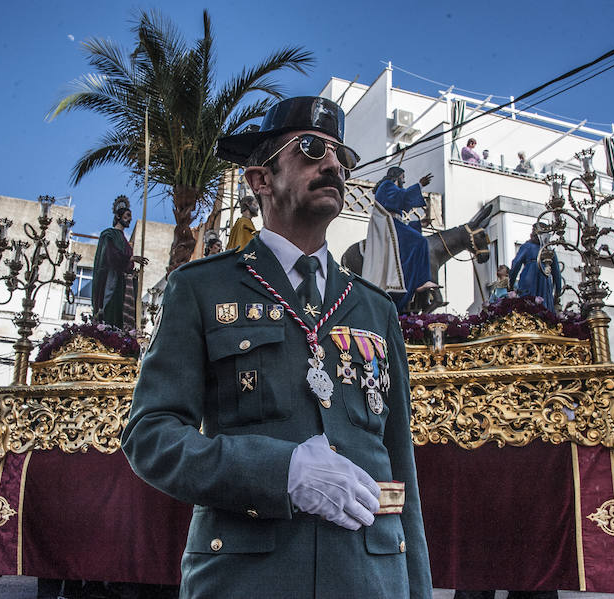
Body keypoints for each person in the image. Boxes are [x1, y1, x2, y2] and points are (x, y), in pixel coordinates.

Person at [123, 96, 431, 598]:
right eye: (311, 149)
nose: (332, 164)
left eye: (342, 156)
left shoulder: (374, 308)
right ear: (260, 180)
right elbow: (150, 437)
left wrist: (416, 589)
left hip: (368, 579)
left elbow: (401, 468)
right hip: (246, 579)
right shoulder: (203, 289)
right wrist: (280, 472)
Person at [369, 166, 438, 312]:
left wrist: (419, 224)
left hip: (395, 224)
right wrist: (419, 185)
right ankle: (422, 280)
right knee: (421, 241)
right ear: (398, 176)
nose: (404, 180)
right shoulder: (387, 186)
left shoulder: (390, 189)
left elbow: (401, 208)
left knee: (417, 239)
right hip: (390, 226)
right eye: (403, 177)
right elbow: (404, 198)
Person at [91, 195, 149, 330]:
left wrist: (132, 272)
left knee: (121, 314)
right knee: (111, 309)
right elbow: (109, 255)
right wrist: (131, 259)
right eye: (127, 215)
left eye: (130, 216)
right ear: (118, 216)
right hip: (111, 280)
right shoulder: (109, 234)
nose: (130, 219)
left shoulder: (124, 239)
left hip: (123, 282)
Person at [510, 223, 562, 310]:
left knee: (528, 306)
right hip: (543, 279)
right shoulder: (548, 249)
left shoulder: (527, 247)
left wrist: (510, 284)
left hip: (530, 277)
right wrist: (557, 293)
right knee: (544, 307)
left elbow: (516, 264)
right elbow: (557, 273)